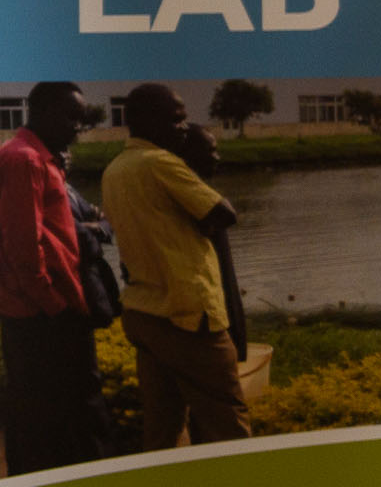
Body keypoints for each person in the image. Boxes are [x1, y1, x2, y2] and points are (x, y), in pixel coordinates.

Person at [99, 84, 250, 450]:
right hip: (187, 316)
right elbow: (223, 213)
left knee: (163, 424)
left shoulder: (115, 169)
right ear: (147, 120)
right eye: (176, 120)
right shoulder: (160, 163)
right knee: (227, 419)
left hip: (145, 313)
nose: (184, 128)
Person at [0, 82, 108, 472]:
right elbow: (23, 249)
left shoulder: (42, 158)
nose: (77, 127)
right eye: (70, 117)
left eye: (81, 119)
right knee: (49, 413)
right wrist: (54, 306)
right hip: (41, 313)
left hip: (51, 304)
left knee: (59, 411)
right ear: (41, 112)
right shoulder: (23, 160)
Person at [172, 124, 246, 365]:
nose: (217, 157)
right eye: (210, 151)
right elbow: (227, 215)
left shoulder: (200, 195)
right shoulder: (186, 197)